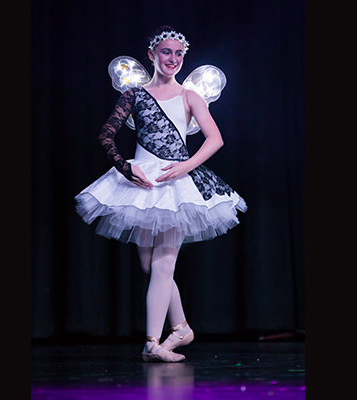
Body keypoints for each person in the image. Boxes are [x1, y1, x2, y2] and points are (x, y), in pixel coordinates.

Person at [75, 25, 247, 362]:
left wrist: (186, 167)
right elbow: (106, 134)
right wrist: (125, 167)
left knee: (164, 262)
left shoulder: (189, 96)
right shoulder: (134, 94)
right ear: (152, 55)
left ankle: (152, 342)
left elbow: (215, 139)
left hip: (176, 184)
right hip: (142, 181)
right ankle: (181, 327)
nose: (173, 58)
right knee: (149, 264)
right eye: (166, 52)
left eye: (179, 53)